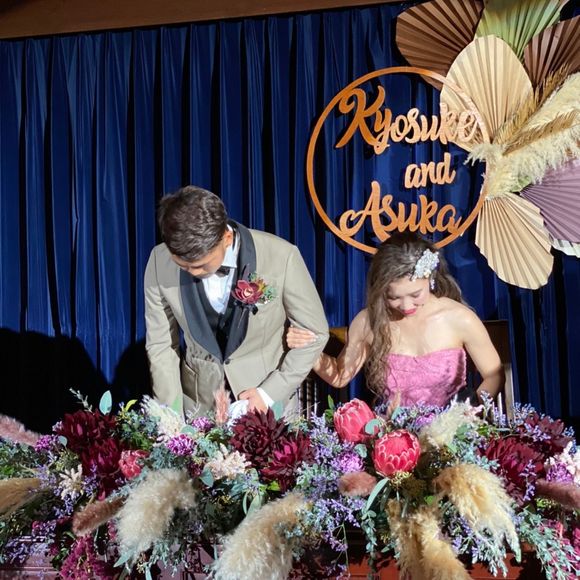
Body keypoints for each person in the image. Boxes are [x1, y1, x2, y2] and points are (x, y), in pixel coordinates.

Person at [144, 186, 329, 417]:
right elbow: (161, 346)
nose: (192, 272)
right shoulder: (159, 261)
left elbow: (316, 333)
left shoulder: (281, 256)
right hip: (200, 409)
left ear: (227, 238)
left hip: (267, 405)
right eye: (183, 266)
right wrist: (171, 418)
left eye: (201, 265)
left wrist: (269, 393)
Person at [287, 232, 504, 407]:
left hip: (451, 435)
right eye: (394, 298)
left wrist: (467, 413)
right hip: (395, 435)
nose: (406, 306)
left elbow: (494, 375)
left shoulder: (459, 318)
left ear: (430, 278)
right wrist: (310, 350)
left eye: (415, 295)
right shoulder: (369, 322)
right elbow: (340, 376)